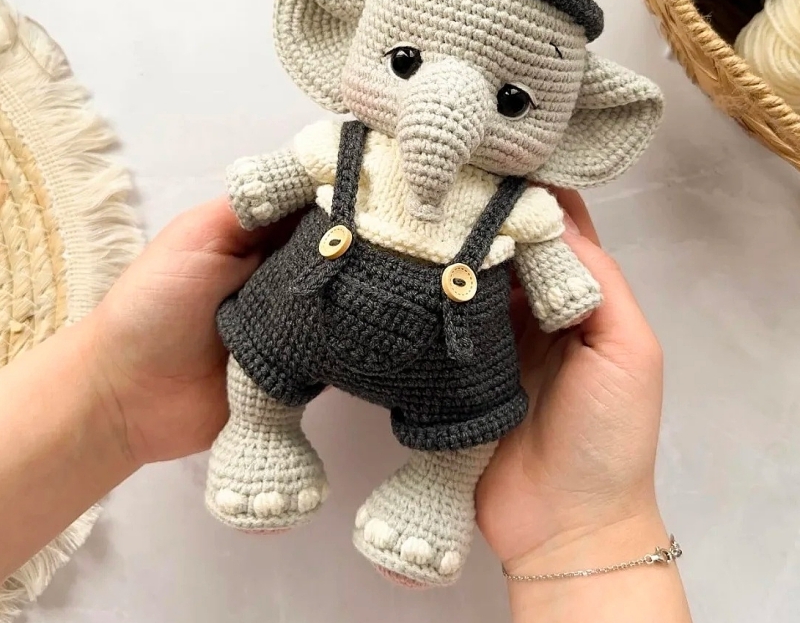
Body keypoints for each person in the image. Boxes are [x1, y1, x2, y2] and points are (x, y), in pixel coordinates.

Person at [0, 190, 693, 622]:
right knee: (265, 354)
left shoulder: (524, 207)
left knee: (468, 419)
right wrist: (590, 533)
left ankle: (440, 484)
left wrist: (582, 526)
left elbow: (558, 275)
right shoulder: (343, 152)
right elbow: (271, 183)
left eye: (512, 99)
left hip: (456, 356)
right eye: (404, 63)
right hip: (306, 311)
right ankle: (259, 429)